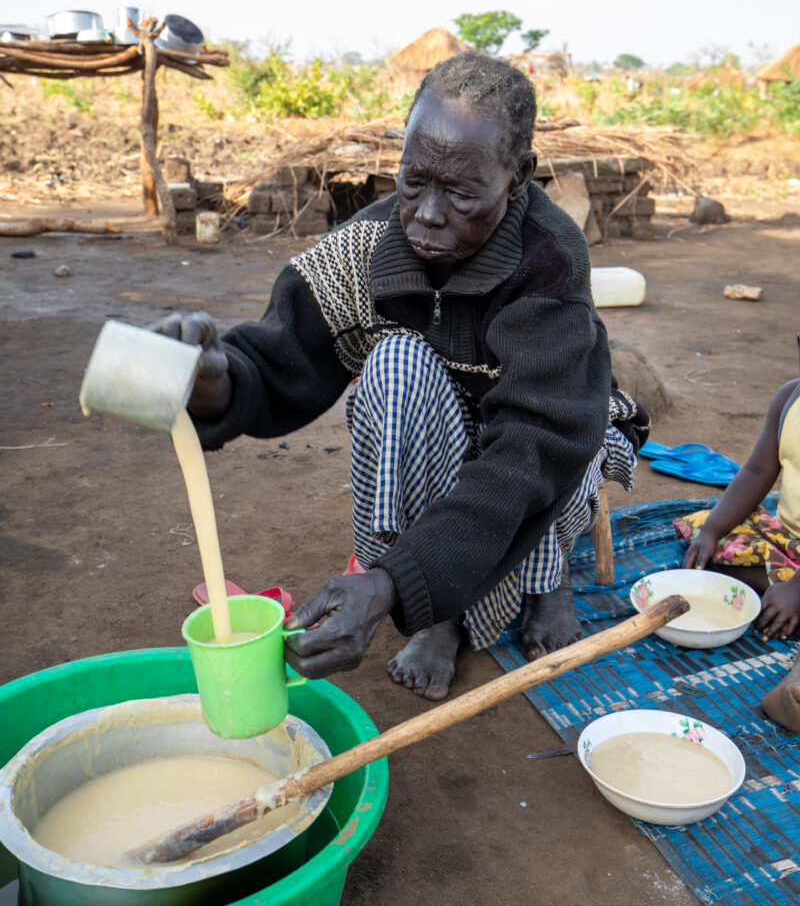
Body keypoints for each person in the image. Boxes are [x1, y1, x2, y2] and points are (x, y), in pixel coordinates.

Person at [157, 51, 647, 700]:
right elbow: (281, 350)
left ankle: (540, 577)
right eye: (414, 181)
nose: (427, 214)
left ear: (519, 177)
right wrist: (219, 378)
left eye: (462, 193)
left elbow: (530, 454)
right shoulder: (371, 246)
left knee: (562, 448)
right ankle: (440, 611)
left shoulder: (548, 263)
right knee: (393, 366)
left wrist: (394, 582)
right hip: (441, 441)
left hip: (539, 444)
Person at [675, 366, 800, 730]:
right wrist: (712, 531)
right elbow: (758, 472)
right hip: (787, 539)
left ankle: (795, 686)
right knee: (707, 540)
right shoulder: (789, 399)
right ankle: (784, 597)